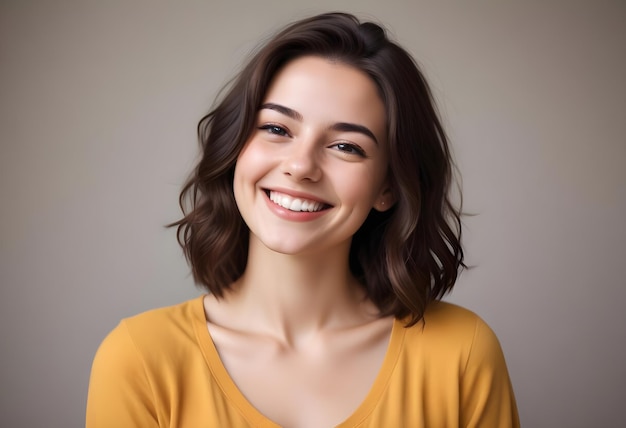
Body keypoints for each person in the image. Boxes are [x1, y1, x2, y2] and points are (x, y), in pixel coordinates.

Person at [86, 12, 519, 428]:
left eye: (347, 146)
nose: (300, 166)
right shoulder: (139, 358)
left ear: (388, 187)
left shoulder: (462, 352)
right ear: (236, 146)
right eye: (276, 129)